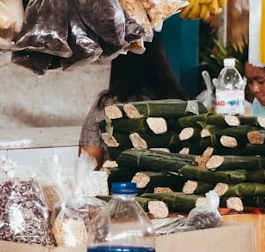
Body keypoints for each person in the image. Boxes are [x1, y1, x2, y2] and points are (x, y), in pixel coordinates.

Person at [78, 37, 189, 169]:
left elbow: (87, 166)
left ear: (118, 63)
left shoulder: (108, 105)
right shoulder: (181, 105)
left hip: (118, 187)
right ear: (162, 59)